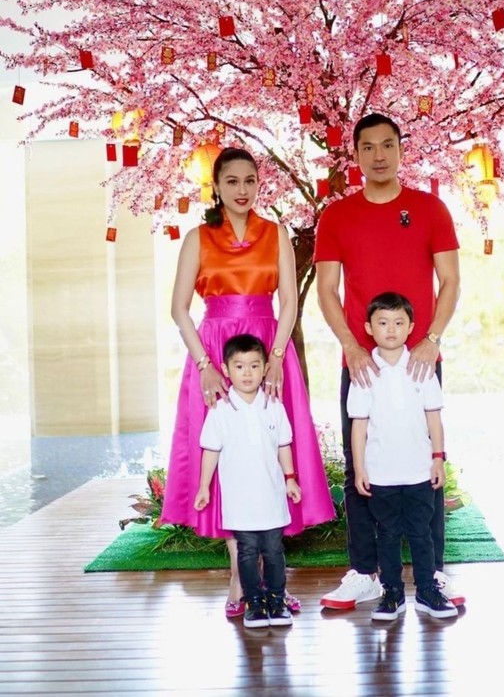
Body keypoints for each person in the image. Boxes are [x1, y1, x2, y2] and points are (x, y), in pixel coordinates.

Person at [160, 146, 334, 618]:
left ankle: (274, 582)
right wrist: (204, 365)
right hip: (214, 352)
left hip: (269, 350)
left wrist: (277, 356)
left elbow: (289, 302)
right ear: (216, 186)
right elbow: (179, 309)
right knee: (228, 459)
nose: (242, 190)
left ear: (259, 185)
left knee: (274, 456)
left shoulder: (275, 233)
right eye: (232, 181)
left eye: (250, 181)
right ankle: (239, 581)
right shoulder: (197, 237)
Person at [314, 112, 462, 610]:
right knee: (363, 466)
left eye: (387, 145)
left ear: (401, 150)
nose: (378, 155)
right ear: (354, 155)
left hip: (420, 360)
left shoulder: (430, 209)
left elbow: (451, 282)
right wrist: (352, 346)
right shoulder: (336, 215)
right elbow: (328, 293)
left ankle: (433, 575)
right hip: (361, 366)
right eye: (368, 147)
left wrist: (433, 339)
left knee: (426, 466)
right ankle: (364, 572)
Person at [349, 293, 457, 621]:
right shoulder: (365, 372)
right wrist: (359, 469)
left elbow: (434, 418)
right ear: (369, 328)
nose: (391, 330)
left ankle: (427, 590)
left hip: (419, 471)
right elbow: (359, 426)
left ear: (411, 327)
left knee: (421, 532)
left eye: (399, 323)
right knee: (388, 534)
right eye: (383, 323)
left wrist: (438, 458)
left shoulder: (422, 369)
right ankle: (392, 593)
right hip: (381, 473)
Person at [194, 334, 301, 628]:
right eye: (239, 366)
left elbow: (284, 446)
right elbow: (211, 451)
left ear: (266, 368)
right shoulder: (220, 411)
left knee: (275, 551)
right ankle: (253, 603)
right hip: (239, 501)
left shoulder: (274, 406)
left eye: (254, 366)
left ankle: (277, 602)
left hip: (272, 498)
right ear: (226, 371)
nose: (247, 373)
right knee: (247, 553)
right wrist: (204, 486)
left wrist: (290, 479)